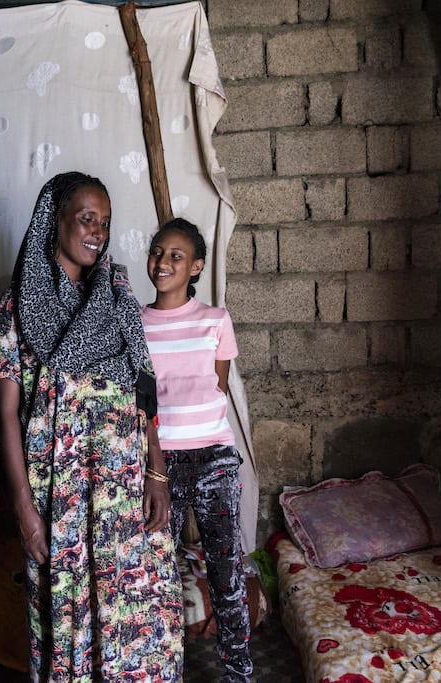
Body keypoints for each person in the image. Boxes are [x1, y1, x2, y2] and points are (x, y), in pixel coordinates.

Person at [0, 171, 183, 681]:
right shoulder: (21, 303)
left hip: (123, 486)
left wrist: (157, 473)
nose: (97, 232)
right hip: (59, 491)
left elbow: (143, 391)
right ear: (56, 221)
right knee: (70, 617)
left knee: (142, 611)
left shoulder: (117, 294)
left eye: (105, 222)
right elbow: (6, 414)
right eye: (86, 218)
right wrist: (23, 510)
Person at [141, 217, 253, 683]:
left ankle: (239, 674)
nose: (163, 262)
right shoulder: (136, 324)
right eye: (158, 252)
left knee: (227, 575)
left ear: (196, 267)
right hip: (158, 466)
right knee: (156, 579)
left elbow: (218, 385)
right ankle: (163, 672)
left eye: (176, 256)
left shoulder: (215, 320)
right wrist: (155, 465)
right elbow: (142, 401)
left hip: (214, 459)